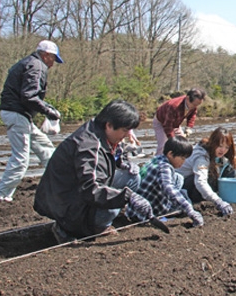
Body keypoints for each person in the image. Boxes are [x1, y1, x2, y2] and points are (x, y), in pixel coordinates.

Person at [34, 100, 154, 243]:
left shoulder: (99, 130)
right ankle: (69, 228)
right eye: (124, 130)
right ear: (109, 125)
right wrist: (127, 197)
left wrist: (121, 163)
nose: (128, 134)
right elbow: (90, 189)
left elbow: (106, 160)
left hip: (72, 193)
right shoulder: (88, 146)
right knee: (112, 207)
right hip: (65, 202)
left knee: (131, 177)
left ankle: (97, 221)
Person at [0, 40, 63, 202]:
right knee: (21, 158)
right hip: (17, 114)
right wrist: (48, 112)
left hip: (20, 114)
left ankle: (60, 181)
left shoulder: (27, 63)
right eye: (53, 59)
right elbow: (29, 96)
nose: (53, 64)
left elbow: (29, 95)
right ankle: (2, 194)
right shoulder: (36, 66)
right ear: (45, 55)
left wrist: (49, 108)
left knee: (45, 146)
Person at [126, 136, 204, 227]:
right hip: (143, 213)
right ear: (170, 154)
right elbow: (168, 188)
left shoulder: (158, 159)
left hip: (136, 207)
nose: (184, 162)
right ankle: (162, 215)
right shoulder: (164, 167)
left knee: (179, 178)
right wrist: (190, 210)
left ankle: (171, 207)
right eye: (182, 158)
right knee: (183, 201)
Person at [176, 127, 236, 216]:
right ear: (213, 143)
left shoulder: (215, 152)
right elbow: (200, 182)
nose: (223, 150)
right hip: (182, 186)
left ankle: (218, 193)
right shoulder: (201, 156)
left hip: (194, 180)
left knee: (231, 169)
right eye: (220, 146)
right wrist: (218, 202)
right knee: (211, 176)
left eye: (226, 147)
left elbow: (231, 162)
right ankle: (203, 197)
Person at [153, 88, 206, 155]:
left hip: (175, 123)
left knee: (184, 144)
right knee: (163, 146)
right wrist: (173, 141)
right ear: (187, 98)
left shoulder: (193, 104)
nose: (195, 107)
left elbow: (192, 115)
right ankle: (158, 163)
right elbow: (168, 126)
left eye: (197, 105)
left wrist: (188, 127)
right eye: (194, 105)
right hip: (161, 122)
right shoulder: (174, 106)